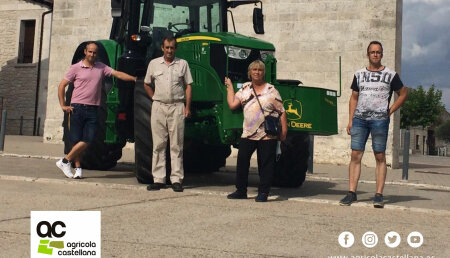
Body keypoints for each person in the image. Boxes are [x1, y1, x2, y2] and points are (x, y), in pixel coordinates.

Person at [339, 41, 408, 208]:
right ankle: (351, 192)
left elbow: (403, 94)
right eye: (372, 52)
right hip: (360, 120)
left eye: (378, 52)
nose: (375, 54)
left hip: (379, 121)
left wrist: (390, 111)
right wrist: (350, 120)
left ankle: (378, 194)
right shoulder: (359, 74)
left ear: (382, 54)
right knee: (355, 155)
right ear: (367, 54)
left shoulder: (391, 75)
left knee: (380, 156)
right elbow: (354, 97)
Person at [56, 42, 137, 179]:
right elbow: (62, 85)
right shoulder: (75, 68)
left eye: (94, 52)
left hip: (93, 108)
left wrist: (134, 78)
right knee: (77, 141)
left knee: (88, 139)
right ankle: (78, 169)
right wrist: (63, 105)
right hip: (77, 108)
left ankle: (65, 161)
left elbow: (117, 74)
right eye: (90, 52)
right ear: (85, 52)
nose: (92, 55)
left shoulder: (101, 67)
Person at [224, 60, 288, 202]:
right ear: (250, 72)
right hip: (248, 133)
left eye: (260, 70)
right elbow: (233, 105)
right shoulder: (245, 88)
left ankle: (263, 192)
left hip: (267, 134)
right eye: (254, 70)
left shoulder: (272, 90)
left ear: (263, 72)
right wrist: (229, 88)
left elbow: (282, 111)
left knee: (265, 165)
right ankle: (241, 190)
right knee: (242, 162)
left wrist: (284, 131)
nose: (257, 72)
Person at [144, 36, 193, 192]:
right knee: (158, 144)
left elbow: (188, 86)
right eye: (167, 48)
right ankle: (158, 179)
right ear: (162, 48)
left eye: (172, 48)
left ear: (175, 49)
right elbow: (146, 83)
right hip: (158, 107)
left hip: (177, 107)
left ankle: (176, 179)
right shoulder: (153, 64)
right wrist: (153, 98)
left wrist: (187, 107)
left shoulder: (182, 64)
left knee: (176, 145)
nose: (169, 51)